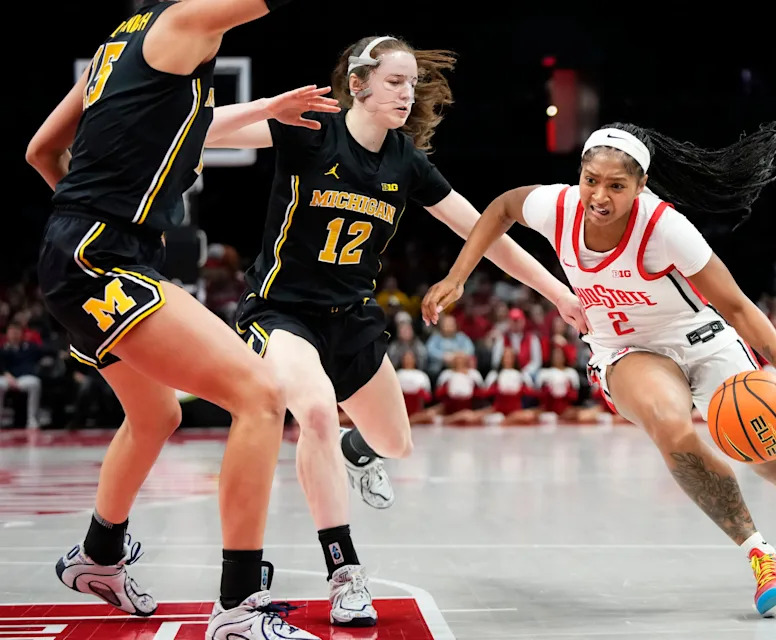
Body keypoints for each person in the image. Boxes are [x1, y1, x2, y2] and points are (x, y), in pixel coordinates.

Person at [203, 35, 587, 626]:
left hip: (352, 319)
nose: (407, 93)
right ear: (358, 84)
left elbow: (483, 233)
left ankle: (361, 453)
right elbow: (200, 130)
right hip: (281, 313)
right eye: (394, 82)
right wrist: (265, 107)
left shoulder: (405, 161)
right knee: (316, 413)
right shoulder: (309, 128)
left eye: (412, 83)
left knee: (396, 442)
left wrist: (558, 291)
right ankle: (345, 573)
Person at [420, 120, 776, 615]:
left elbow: (739, 306)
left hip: (700, 340)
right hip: (624, 348)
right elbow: (504, 205)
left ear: (640, 187)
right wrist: (457, 275)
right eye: (591, 179)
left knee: (772, 459)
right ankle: (762, 555)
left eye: (616, 186)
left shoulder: (665, 228)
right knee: (669, 426)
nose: (599, 195)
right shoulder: (559, 206)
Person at [25, 2, 338, 638]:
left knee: (156, 415)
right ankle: (238, 607)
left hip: (77, 252)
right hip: (102, 257)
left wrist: (266, 108)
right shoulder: (184, 22)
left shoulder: (119, 50)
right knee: (259, 395)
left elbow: (40, 151)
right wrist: (102, 223)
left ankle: (98, 555)